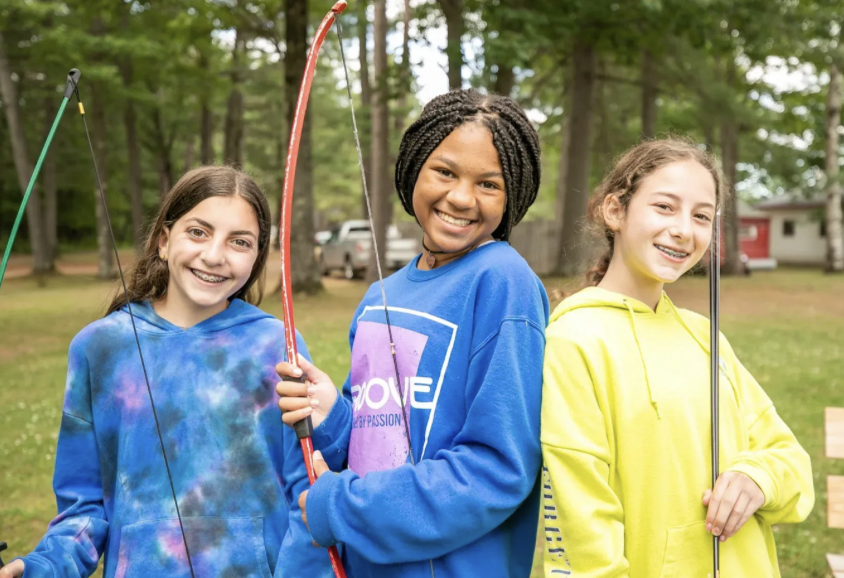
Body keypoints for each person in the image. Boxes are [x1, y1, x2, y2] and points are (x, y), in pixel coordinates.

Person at [1, 166, 330, 578]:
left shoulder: (278, 346)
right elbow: (84, 506)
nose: (214, 255)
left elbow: (307, 495)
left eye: (239, 242)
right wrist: (43, 566)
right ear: (163, 241)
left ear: (256, 257)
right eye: (198, 232)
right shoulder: (99, 347)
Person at [276, 88, 549, 577]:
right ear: (414, 168)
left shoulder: (504, 283)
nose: (461, 197)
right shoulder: (380, 295)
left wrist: (342, 507)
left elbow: (497, 469)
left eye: (489, 183)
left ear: (514, 196)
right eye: (445, 172)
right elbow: (375, 442)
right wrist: (333, 417)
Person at [540, 138, 814, 577]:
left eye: (701, 216)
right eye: (665, 207)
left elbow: (791, 461)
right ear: (615, 211)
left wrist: (758, 478)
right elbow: (580, 523)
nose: (685, 229)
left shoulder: (704, 335)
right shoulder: (574, 340)